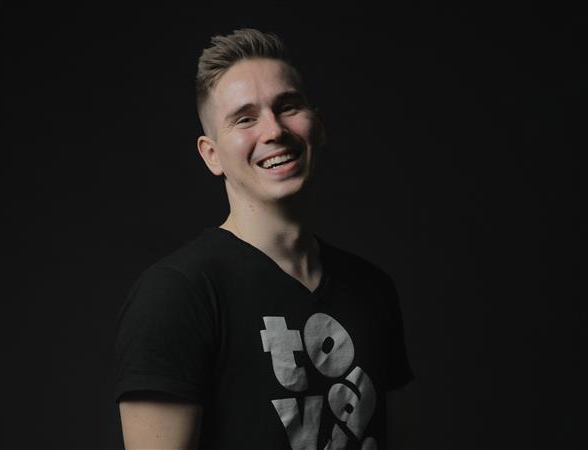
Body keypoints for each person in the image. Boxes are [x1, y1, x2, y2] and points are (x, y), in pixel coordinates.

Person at [113, 28, 414, 449]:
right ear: (211, 154)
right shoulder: (176, 294)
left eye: (287, 107)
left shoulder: (373, 288)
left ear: (318, 125)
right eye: (245, 118)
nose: (273, 130)